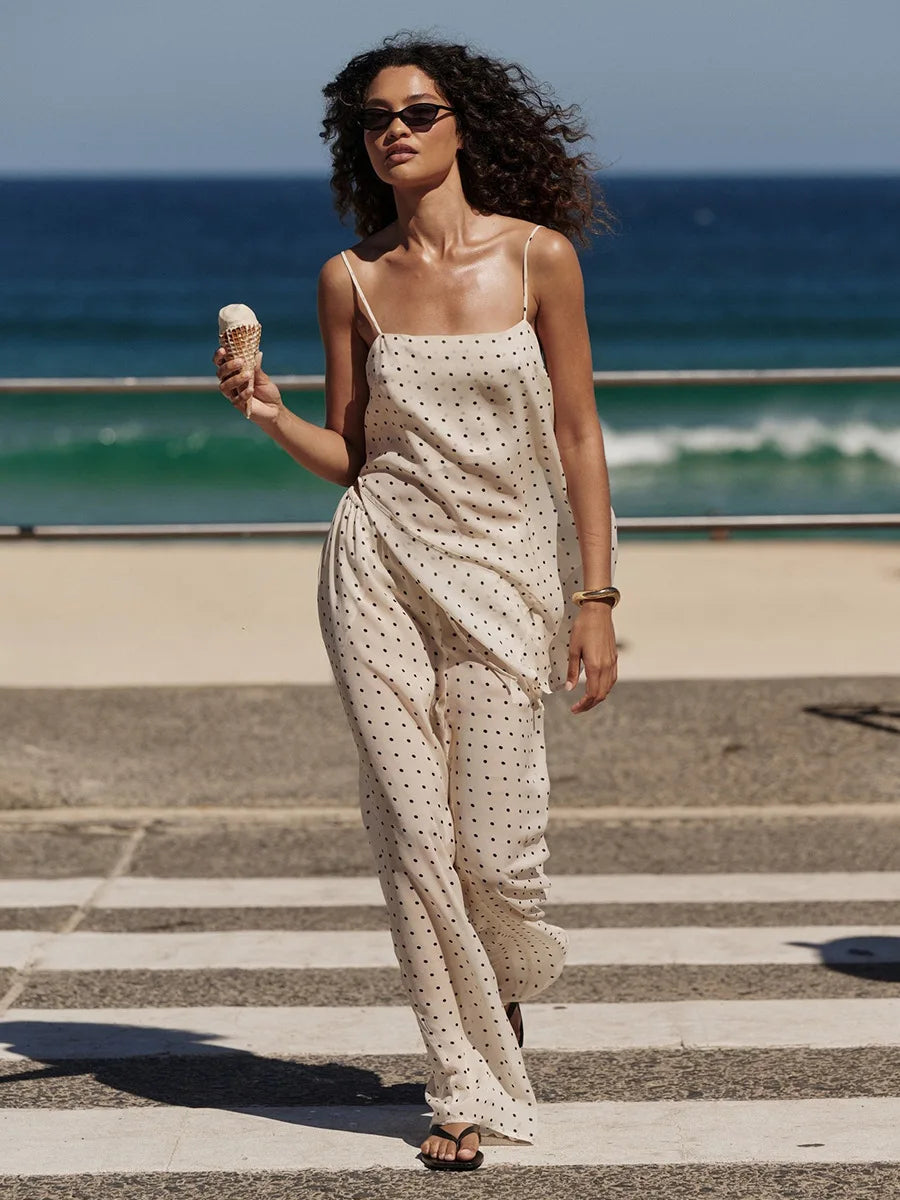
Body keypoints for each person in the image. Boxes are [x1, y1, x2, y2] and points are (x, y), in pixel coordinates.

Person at [213, 31, 620, 1172]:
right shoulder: (351, 280)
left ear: (462, 125)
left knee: (494, 849)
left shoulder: (542, 259)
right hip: (377, 566)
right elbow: (351, 454)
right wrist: (262, 409)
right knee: (412, 835)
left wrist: (595, 595)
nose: (394, 129)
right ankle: (463, 1080)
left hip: (503, 573)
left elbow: (579, 436)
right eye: (375, 117)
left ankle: (497, 1018)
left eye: (417, 111)